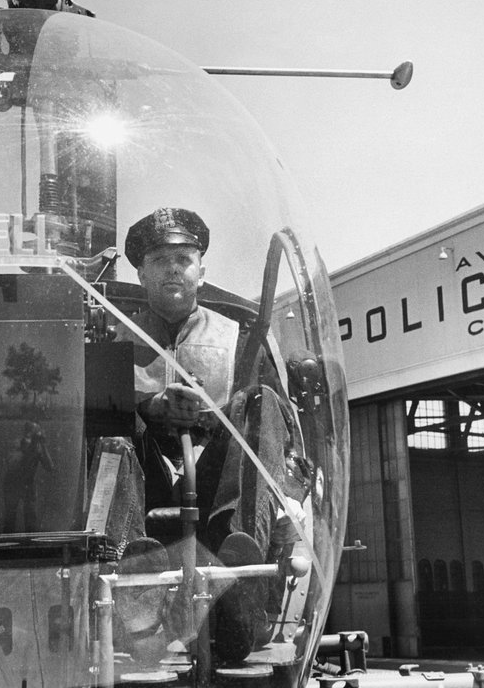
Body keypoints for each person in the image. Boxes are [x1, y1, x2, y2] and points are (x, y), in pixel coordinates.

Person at [114, 207, 303, 663]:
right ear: (141, 273)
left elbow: (280, 438)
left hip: (220, 488)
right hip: (146, 477)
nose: (173, 268)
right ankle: (135, 579)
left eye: (183, 257)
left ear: (202, 269)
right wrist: (151, 408)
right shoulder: (115, 339)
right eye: (159, 260)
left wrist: (208, 416)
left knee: (260, 401)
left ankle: (241, 570)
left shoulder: (241, 339)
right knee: (105, 417)